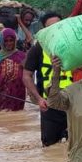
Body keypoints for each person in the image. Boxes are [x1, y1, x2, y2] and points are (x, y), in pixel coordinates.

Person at [23, 11, 69, 147]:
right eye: (51, 27)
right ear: (44, 30)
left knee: (77, 145)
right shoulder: (38, 48)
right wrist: (38, 98)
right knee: (49, 147)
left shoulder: (75, 45)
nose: (56, 29)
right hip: (49, 104)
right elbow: (27, 75)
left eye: (59, 25)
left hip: (74, 103)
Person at [0, 28, 26, 114]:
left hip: (18, 93)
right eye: (6, 41)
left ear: (15, 41)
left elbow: (28, 75)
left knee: (16, 117)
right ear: (2, 42)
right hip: (2, 92)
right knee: (0, 114)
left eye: (11, 40)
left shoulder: (22, 56)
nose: (9, 43)